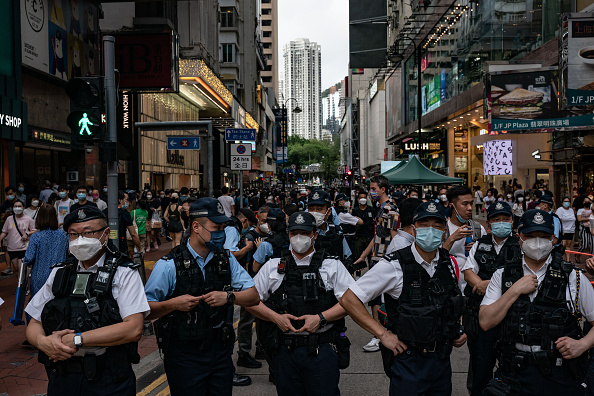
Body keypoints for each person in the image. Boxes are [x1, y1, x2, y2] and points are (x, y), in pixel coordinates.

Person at [340, 202, 467, 395]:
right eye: (424, 224)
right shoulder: (394, 264)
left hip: (441, 360)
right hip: (409, 361)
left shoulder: (449, 263)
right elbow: (349, 298)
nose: (430, 230)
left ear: (444, 230)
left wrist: (457, 329)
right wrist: (382, 334)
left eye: (437, 225)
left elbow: (453, 300)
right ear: (414, 228)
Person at [24, 206, 149, 395]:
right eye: (73, 234)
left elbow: (133, 328)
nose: (80, 240)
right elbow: (34, 322)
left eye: (88, 232)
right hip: (62, 377)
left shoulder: (124, 273)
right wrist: (43, 342)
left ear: (106, 234)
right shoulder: (60, 273)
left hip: (108, 378)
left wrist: (77, 340)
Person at [145, 198, 260, 395]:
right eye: (216, 227)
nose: (221, 234)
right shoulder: (169, 265)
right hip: (184, 356)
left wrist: (229, 297)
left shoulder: (226, 259)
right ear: (196, 227)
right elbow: (145, 310)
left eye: (223, 227)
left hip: (220, 354)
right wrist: (173, 304)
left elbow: (253, 296)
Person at [479, 209, 594, 396]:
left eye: (544, 235)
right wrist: (515, 290)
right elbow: (485, 321)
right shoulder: (502, 275)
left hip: (560, 374)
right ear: (519, 237)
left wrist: (583, 344)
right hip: (514, 373)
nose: (537, 241)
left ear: (554, 239)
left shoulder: (572, 276)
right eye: (531, 235)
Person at [248, 212, 354, 396]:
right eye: (294, 232)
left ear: (315, 234)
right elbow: (249, 301)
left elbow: (353, 303)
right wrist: (276, 318)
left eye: (304, 233)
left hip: (322, 348)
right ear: (288, 234)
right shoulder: (273, 266)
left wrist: (321, 318)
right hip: (285, 351)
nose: (299, 237)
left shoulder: (332, 266)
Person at [462, 201, 519, 395]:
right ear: (489, 223)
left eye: (506, 219)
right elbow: (469, 271)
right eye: (497, 219)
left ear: (512, 221)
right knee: (481, 366)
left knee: (512, 369)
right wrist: (480, 285)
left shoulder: (521, 245)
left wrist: (489, 286)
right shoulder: (480, 244)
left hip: (511, 317)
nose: (501, 223)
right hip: (480, 317)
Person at [350, 175, 399, 352]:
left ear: (382, 189)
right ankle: (380, 333)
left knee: (377, 298)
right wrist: (363, 256)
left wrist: (393, 259)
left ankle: (380, 335)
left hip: (385, 260)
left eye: (373, 189)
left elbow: (395, 237)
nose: (370, 193)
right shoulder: (380, 209)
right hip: (376, 259)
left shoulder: (390, 209)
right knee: (376, 299)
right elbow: (377, 236)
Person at [443, 186, 486, 292]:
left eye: (471, 203)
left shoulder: (478, 229)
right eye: (465, 204)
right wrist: (452, 238)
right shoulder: (443, 230)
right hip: (450, 288)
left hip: (474, 289)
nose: (470, 208)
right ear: (452, 206)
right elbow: (436, 258)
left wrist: (477, 250)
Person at [23, 205, 68, 300]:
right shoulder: (64, 235)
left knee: (38, 305)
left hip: (39, 276)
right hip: (59, 276)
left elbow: (29, 258)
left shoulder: (36, 236)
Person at [0, 200, 36, 275]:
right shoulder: (9, 219)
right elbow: (4, 231)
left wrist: (27, 233)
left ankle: (23, 285)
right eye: (15, 206)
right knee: (16, 269)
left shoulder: (28, 219)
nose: (17, 208)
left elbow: (35, 230)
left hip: (23, 248)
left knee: (21, 269)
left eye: (19, 206)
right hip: (12, 248)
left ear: (23, 208)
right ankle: (19, 284)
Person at [351, 190, 375, 277]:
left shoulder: (371, 210)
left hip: (369, 237)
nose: (363, 199)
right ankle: (357, 275)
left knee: (371, 258)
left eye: (364, 198)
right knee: (358, 257)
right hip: (359, 237)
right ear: (358, 199)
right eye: (361, 198)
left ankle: (372, 276)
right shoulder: (355, 210)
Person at [115, 191, 141, 257]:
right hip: (121, 245)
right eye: (126, 200)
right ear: (120, 200)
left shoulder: (106, 211)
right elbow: (133, 234)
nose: (128, 202)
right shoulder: (124, 214)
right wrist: (140, 248)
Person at [556, 196, 576, 261]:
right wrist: (561, 229)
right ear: (562, 203)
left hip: (571, 230)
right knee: (563, 245)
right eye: (565, 201)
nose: (566, 203)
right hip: (563, 230)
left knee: (568, 245)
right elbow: (558, 220)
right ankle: (560, 258)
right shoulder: (560, 210)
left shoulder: (571, 210)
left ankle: (568, 260)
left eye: (568, 202)